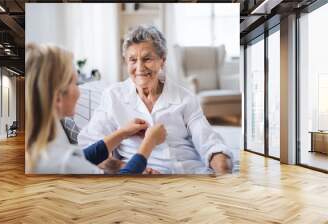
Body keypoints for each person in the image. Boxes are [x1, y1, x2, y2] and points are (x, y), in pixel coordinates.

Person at [78, 25, 234, 174]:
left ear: (162, 61)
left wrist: (222, 167)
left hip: (191, 173)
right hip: (143, 181)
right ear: (126, 62)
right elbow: (91, 150)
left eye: (147, 59)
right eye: (132, 60)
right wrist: (126, 167)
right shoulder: (113, 96)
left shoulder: (185, 98)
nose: (139, 68)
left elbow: (208, 142)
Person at [25, 43, 166, 174]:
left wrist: (122, 133)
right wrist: (149, 143)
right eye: (74, 83)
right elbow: (123, 184)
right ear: (57, 97)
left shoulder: (40, 150)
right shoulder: (65, 164)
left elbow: (83, 157)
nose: (79, 91)